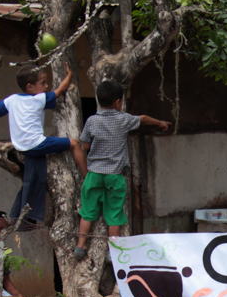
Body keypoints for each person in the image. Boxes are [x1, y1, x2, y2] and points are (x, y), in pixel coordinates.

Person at [0, 63, 88, 230]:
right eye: (43, 83)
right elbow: (60, 90)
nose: (46, 87)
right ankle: (87, 176)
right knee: (74, 143)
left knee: (33, 177)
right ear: (30, 87)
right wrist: (69, 75)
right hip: (36, 144)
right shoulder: (39, 99)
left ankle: (21, 216)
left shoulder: (12, 100)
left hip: (21, 146)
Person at [73, 80, 171, 259]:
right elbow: (142, 119)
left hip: (94, 174)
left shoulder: (92, 121)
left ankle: (80, 246)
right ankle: (113, 252)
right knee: (114, 214)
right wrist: (160, 123)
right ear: (118, 102)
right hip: (114, 176)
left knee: (87, 213)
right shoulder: (123, 119)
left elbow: (85, 145)